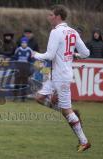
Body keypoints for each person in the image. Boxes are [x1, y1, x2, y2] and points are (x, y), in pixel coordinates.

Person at [32, 5, 91, 152]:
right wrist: (74, 55)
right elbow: (86, 53)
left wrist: (35, 55)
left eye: (51, 15)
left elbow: (50, 55)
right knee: (39, 97)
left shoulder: (55, 32)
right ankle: (71, 114)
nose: (49, 17)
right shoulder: (72, 31)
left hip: (61, 76)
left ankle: (84, 141)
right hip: (57, 75)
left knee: (66, 110)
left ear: (58, 16)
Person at [13, 37, 34, 102]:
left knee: (24, 84)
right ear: (21, 43)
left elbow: (31, 61)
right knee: (17, 83)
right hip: (18, 69)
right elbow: (15, 59)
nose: (23, 44)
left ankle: (23, 98)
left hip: (26, 70)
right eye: (22, 43)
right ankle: (15, 97)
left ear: (27, 43)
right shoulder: (18, 50)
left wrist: (30, 70)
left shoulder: (29, 50)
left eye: (25, 43)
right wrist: (15, 68)